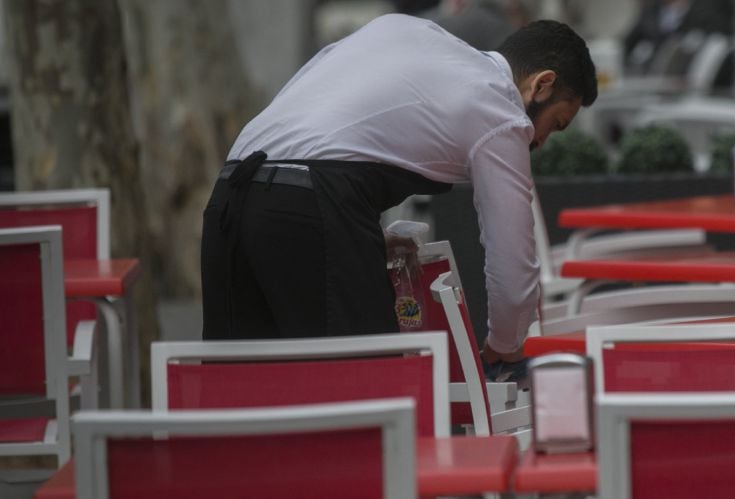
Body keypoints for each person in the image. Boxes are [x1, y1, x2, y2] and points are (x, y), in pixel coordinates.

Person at [200, 14, 597, 372]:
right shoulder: (499, 107)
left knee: (241, 394)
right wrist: (505, 345)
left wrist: (358, 236)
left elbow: (324, 135)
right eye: (556, 124)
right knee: (367, 396)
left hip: (231, 195)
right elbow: (512, 261)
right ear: (541, 85)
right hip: (312, 202)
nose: (540, 141)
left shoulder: (409, 31)